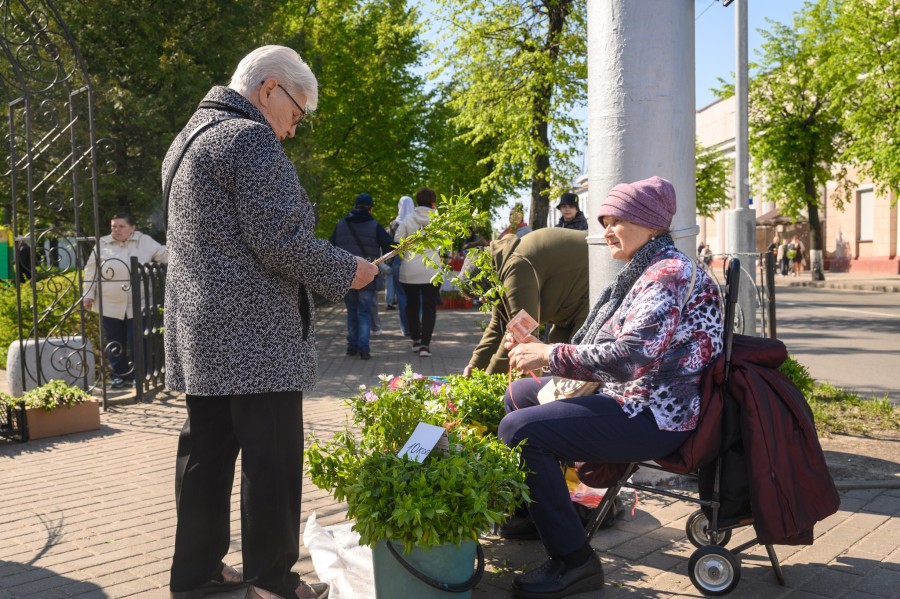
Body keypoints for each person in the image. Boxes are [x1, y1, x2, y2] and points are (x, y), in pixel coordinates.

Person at [162, 45, 377, 599]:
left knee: (206, 456)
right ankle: (272, 583)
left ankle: (197, 573)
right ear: (269, 90)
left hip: (201, 330)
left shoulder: (186, 141)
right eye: (297, 114)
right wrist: (349, 271)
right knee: (273, 460)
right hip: (254, 334)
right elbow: (280, 241)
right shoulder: (248, 137)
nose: (293, 130)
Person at [497, 176, 724, 599]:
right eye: (604, 220)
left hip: (655, 415)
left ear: (651, 224)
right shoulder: (648, 269)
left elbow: (630, 358)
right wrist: (542, 349)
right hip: (632, 399)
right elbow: (613, 352)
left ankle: (574, 562)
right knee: (517, 396)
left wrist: (549, 354)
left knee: (521, 431)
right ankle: (540, 512)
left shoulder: (667, 275)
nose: (606, 230)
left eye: (618, 219)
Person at [460, 228, 590, 376]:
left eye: (482, 295)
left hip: (592, 292)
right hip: (570, 306)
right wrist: (474, 365)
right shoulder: (499, 265)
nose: (483, 300)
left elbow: (522, 331)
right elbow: (498, 324)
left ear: (485, 280)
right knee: (559, 369)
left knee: (577, 372)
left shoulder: (516, 267)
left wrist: (490, 379)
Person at [82, 213, 168, 389]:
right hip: (110, 302)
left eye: (121, 226)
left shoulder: (144, 241)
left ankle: (140, 375)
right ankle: (119, 375)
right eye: (114, 226)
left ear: (132, 228)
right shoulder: (103, 243)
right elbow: (91, 270)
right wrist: (88, 295)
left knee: (138, 339)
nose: (116, 230)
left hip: (139, 302)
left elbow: (164, 256)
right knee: (115, 341)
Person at [329, 192, 394, 360]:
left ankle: (352, 347)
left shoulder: (342, 224)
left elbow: (329, 247)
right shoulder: (374, 225)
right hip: (367, 276)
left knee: (351, 312)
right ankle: (364, 349)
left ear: (355, 206)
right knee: (364, 312)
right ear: (370, 209)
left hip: (347, 276)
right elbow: (390, 245)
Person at [394, 186, 441, 357]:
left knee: (411, 305)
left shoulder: (408, 219)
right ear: (433, 202)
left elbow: (397, 240)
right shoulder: (439, 221)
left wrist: (408, 248)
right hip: (432, 271)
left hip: (410, 270)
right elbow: (447, 242)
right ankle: (425, 346)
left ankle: (415, 340)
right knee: (429, 308)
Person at [387, 195, 414, 335]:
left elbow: (388, 245)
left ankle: (406, 328)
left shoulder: (393, 225)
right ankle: (416, 326)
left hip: (398, 261)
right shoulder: (417, 223)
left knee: (402, 297)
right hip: (415, 262)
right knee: (416, 296)